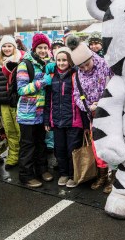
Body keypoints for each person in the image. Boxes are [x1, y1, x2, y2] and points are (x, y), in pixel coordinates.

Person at [71, 42, 115, 193]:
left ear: (91, 57)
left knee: (113, 146)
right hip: (93, 116)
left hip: (112, 114)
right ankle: (102, 175)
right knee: (98, 147)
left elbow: (118, 87)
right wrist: (88, 107)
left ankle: (113, 178)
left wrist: (103, 103)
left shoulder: (106, 66)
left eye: (86, 64)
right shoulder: (78, 74)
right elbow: (76, 96)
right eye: (80, 67)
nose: (85, 68)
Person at [44, 47, 84, 188]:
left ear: (70, 60)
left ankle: (74, 175)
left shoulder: (76, 75)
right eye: (58, 60)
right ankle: (64, 173)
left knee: (72, 150)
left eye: (64, 60)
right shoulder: (51, 76)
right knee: (59, 149)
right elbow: (48, 100)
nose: (61, 63)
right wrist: (47, 119)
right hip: (57, 120)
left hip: (73, 120)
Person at [17, 33, 53, 188]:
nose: (43, 50)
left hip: (41, 113)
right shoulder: (26, 64)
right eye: (40, 47)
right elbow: (21, 89)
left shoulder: (48, 64)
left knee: (41, 143)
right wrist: (42, 82)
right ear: (34, 48)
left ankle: (42, 169)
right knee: (28, 145)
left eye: (45, 47)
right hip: (27, 113)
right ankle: (26, 175)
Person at [0, 35, 24, 170]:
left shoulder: (21, 61)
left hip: (18, 103)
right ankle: (13, 156)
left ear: (14, 47)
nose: (7, 48)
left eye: (9, 45)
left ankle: (24, 156)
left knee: (20, 131)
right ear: (0, 48)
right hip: (3, 103)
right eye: (4, 46)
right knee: (10, 131)